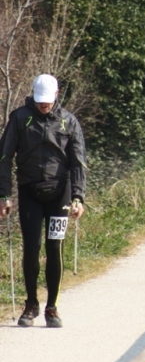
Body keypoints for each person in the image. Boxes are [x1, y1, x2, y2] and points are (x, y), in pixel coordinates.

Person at [0, 74, 86, 328]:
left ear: (57, 95)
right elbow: (4, 157)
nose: (43, 105)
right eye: (40, 101)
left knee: (54, 248)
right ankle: (31, 305)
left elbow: (78, 161)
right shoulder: (19, 118)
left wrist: (78, 197)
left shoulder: (69, 121)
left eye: (47, 101)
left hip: (61, 192)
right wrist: (4, 194)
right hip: (29, 191)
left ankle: (52, 307)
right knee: (31, 247)